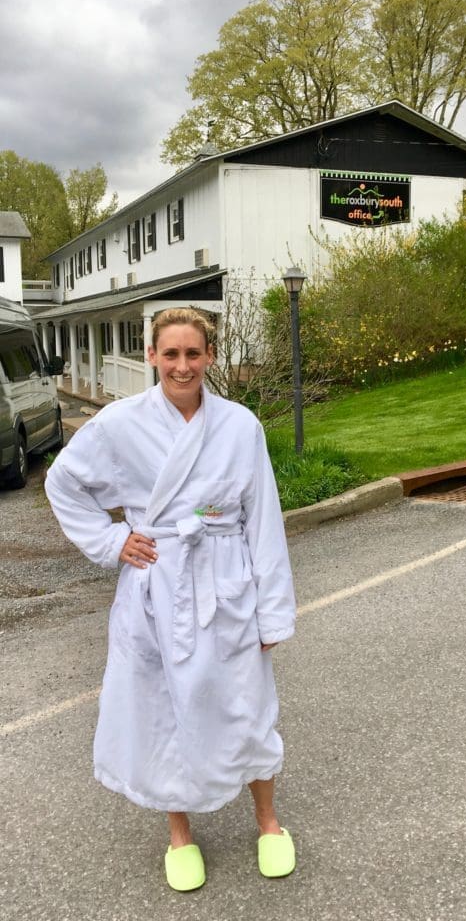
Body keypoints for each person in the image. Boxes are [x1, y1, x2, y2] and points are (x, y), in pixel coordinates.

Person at [45, 307, 297, 892]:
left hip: (225, 579)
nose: (182, 365)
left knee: (247, 703)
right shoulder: (119, 423)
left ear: (210, 357)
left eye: (193, 353)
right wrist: (112, 540)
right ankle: (179, 833)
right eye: (171, 354)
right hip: (156, 581)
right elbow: (63, 483)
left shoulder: (240, 426)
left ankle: (268, 823)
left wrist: (272, 607)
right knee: (160, 705)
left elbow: (263, 520)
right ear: (152, 356)